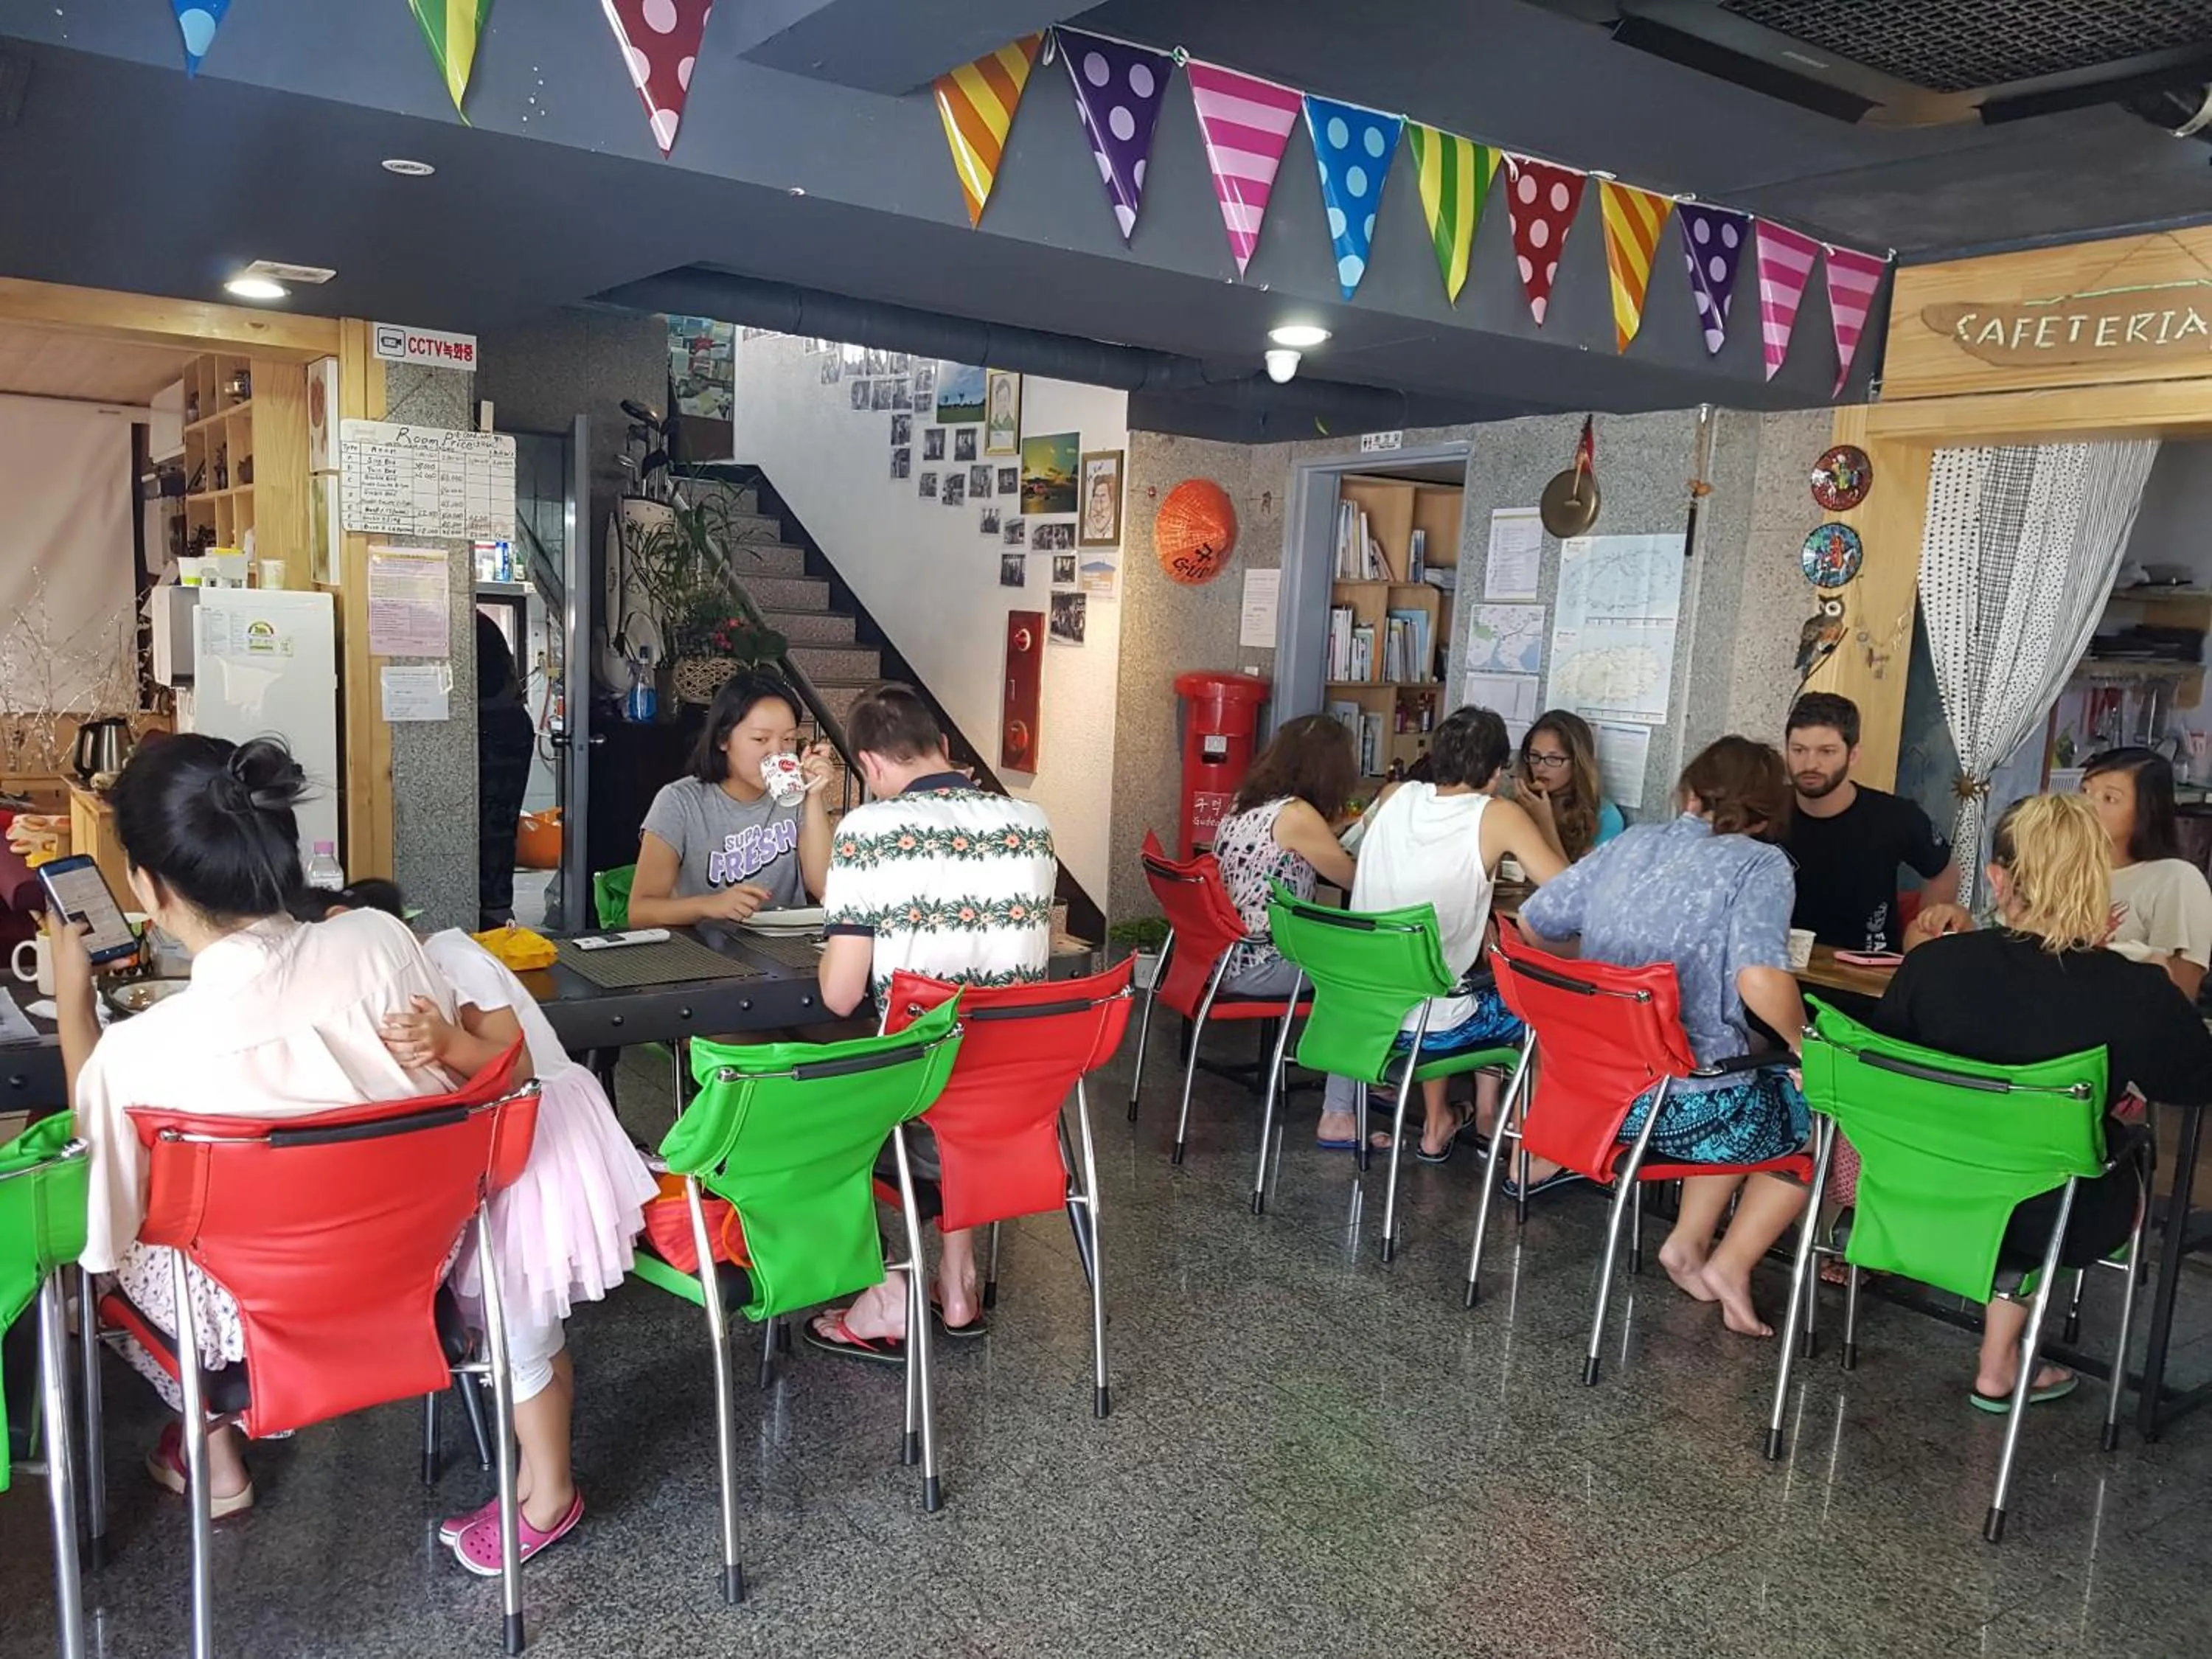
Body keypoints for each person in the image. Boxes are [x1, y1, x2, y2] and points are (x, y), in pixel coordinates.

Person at [58, 736, 459, 1518]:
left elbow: (102, 1231)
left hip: (236, 1329)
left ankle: (211, 1450)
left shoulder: (141, 1052)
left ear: (147, 887)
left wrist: (75, 1006)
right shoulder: (382, 941)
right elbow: (445, 1077)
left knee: (115, 1226)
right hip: (412, 1276)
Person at [315, 878, 656, 1572]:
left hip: (538, 1146)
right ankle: (535, 1481)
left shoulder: (449, 953)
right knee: (534, 1330)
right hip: (511, 1151)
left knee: (517, 1336)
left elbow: (515, 1064)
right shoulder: (402, 988)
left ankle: (548, 1500)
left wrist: (444, 1040)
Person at [1868, 793, 2212, 1409]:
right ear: (2098, 886)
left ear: (1998, 879)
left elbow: (1894, 1065)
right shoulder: (2135, 991)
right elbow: (2192, 1083)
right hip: (2056, 1216)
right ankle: (2001, 1362)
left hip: (1912, 1191)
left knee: (2001, 1145)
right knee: (2073, 1156)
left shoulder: (1932, 965)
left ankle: (2001, 1359)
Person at [1519, 736, 1812, 1338]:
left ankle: (1689, 1241)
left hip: (1586, 1098)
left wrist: (1599, 971)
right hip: (1674, 1110)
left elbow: (1533, 922)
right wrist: (1805, 1043)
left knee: (1744, 1068)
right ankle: (1724, 1259)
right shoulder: (1760, 864)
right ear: (1766, 812)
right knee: (1814, 1108)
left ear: (1689, 791)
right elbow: (1759, 980)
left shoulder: (1629, 842)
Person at [805, 684, 1058, 1361]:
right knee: (959, 1059)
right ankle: (957, 1278)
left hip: (920, 1099)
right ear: (945, 749)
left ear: (870, 767)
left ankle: (890, 1282)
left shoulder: (867, 832)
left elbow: (838, 995)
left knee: (810, 1106)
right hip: (1017, 1097)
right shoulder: (1029, 821)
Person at [1332, 706, 1565, 1162]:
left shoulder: (1396, 795)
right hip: (1432, 1025)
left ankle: (1440, 1121)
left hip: (1358, 1010)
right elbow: (1566, 891)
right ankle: (1518, 1144)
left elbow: (1355, 846)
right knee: (1533, 1005)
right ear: (1497, 772)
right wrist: (1545, 823)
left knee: (1437, 971)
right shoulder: (1497, 814)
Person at [627, 672, 834, 927]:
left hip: (784, 949)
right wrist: (710, 905)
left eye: (789, 739)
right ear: (723, 739)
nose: (777, 753)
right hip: (705, 955)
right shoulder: (679, 801)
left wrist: (814, 795)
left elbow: (826, 886)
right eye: (760, 739)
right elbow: (640, 911)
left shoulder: (796, 796)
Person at [1781, 692, 1969, 953]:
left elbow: (1944, 871)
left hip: (1868, 974)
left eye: (1827, 751)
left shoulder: (1893, 816)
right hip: (1781, 969)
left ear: (1853, 755)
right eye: (1799, 750)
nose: (1810, 764)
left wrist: (1923, 936)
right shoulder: (1764, 812)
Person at [1208, 714, 1359, 1004]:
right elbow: (1353, 879)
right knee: (1363, 962)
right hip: (1264, 964)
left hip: (1221, 959)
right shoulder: (1298, 815)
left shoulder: (1248, 801)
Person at [2081, 746, 2212, 1002]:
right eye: (2085, 791)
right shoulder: (2066, 871)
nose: (2086, 806)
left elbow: (2181, 992)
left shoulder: (2176, 879)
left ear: (2146, 810)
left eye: (2110, 798)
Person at [476, 612, 537, 931]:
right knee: (498, 824)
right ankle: (496, 910)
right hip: (506, 725)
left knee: (495, 824)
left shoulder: (471, 625)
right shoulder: (480, 623)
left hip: (499, 730)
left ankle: (496, 912)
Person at [1513, 709, 1625, 863]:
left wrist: (1545, 823)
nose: (1540, 768)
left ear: (1577, 763)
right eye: (1535, 756)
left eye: (1553, 759)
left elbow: (1572, 884)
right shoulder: (1524, 803)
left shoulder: (1605, 816)